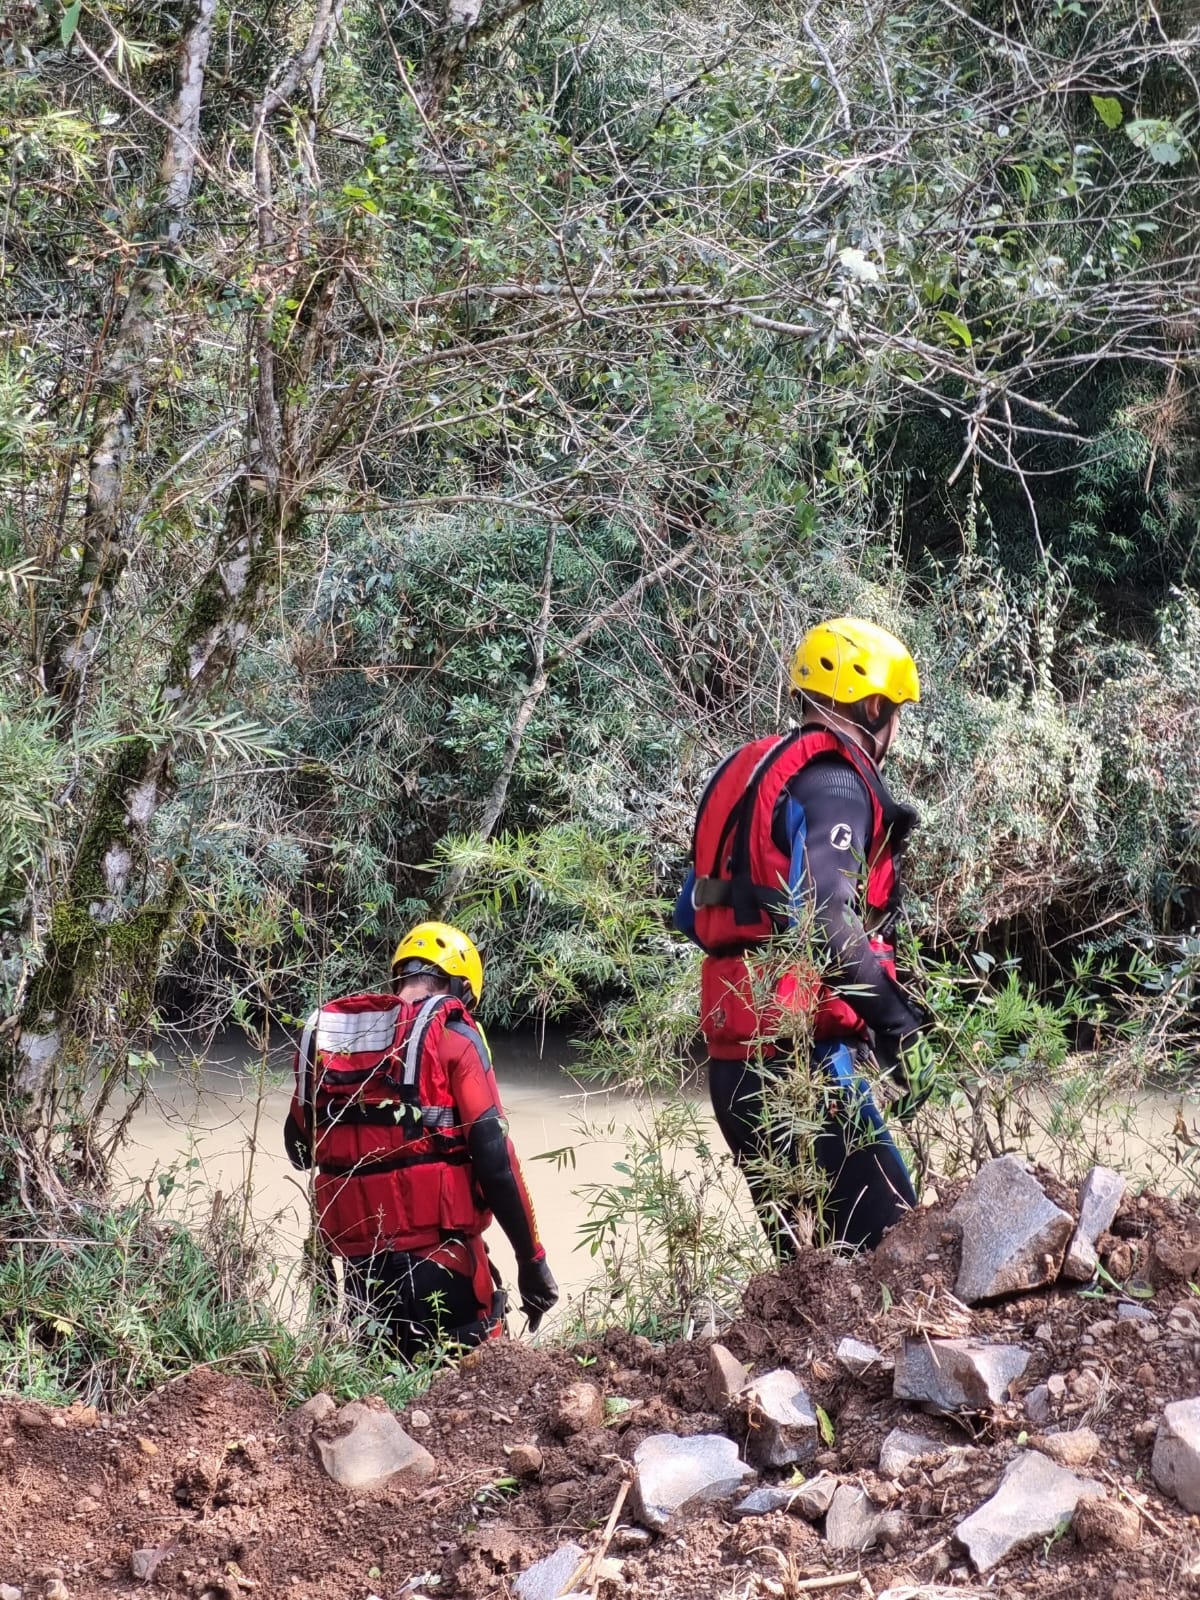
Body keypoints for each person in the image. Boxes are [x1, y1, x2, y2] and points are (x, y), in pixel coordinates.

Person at [674, 617, 934, 1255]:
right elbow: (825, 916)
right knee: (895, 1258)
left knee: (811, 1278)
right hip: (802, 1069)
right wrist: (898, 1023)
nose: (894, 730)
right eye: (894, 711)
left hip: (737, 1071)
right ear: (873, 706)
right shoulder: (838, 781)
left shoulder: (750, 769)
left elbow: (690, 911)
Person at [284, 920, 558, 1358]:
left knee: (375, 1386)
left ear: (400, 979)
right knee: (469, 1389)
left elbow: (299, 1151)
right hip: (444, 1268)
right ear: (462, 990)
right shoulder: (456, 1038)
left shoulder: (338, 1043)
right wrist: (532, 1261)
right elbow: (496, 1162)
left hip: (361, 1276)